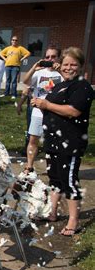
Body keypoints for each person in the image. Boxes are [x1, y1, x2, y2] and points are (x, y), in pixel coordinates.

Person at [31, 47, 93, 236]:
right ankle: (52, 212)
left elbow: (74, 111)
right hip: (53, 140)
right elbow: (53, 108)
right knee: (55, 177)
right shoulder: (60, 85)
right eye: (66, 64)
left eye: (73, 64)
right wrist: (41, 106)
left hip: (70, 141)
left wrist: (47, 104)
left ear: (80, 67)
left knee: (69, 180)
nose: (69, 67)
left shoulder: (82, 87)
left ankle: (73, 220)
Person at [19, 45, 63, 174]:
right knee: (33, 140)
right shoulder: (39, 73)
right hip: (38, 112)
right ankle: (29, 166)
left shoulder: (61, 73)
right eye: (48, 57)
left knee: (52, 142)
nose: (50, 59)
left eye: (53, 57)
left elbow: (71, 85)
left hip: (55, 112)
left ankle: (52, 168)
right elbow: (25, 81)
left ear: (59, 58)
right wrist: (34, 67)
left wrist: (60, 71)